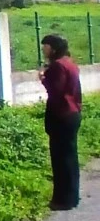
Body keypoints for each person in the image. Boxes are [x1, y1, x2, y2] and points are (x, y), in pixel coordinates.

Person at [39, 34, 83, 211]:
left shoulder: (58, 66)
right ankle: (72, 197)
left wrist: (43, 78)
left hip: (61, 115)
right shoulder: (70, 63)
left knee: (60, 159)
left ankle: (62, 200)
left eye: (46, 46)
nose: (44, 49)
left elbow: (56, 91)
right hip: (73, 113)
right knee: (70, 157)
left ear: (54, 48)